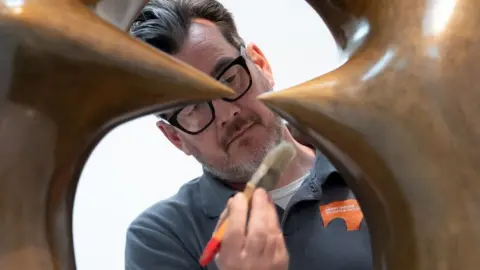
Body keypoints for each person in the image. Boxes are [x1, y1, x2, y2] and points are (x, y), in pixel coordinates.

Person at [124, 0, 373, 269]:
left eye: (229, 79)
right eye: (192, 108)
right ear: (174, 137)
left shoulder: (372, 171)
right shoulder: (161, 237)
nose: (226, 113)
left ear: (260, 63)